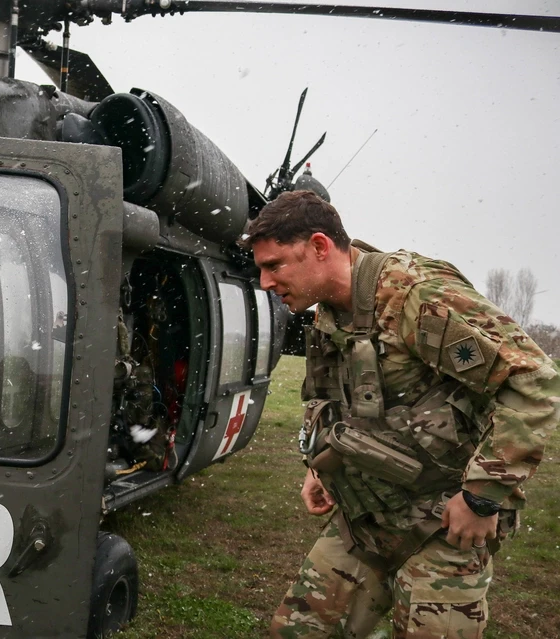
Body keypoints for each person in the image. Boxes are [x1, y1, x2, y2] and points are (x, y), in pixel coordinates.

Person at [240, 190, 560, 638]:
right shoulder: (330, 311)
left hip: (442, 523)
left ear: (318, 246)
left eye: (274, 266)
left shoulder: (418, 297)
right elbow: (335, 398)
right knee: (297, 630)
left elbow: (534, 380)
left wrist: (481, 497)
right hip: (365, 517)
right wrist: (321, 466)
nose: (265, 282)